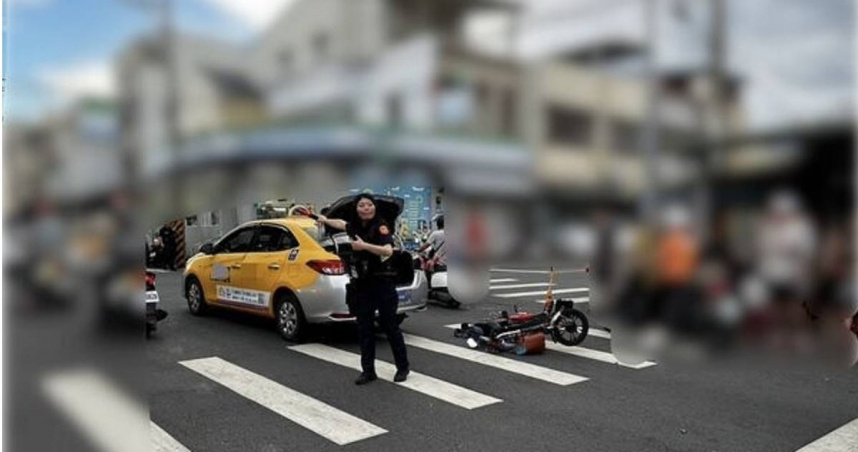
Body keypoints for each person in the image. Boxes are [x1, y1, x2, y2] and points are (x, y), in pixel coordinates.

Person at [315, 194, 410, 385]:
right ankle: (368, 371)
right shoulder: (355, 226)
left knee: (390, 327)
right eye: (361, 205)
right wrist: (325, 220)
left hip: (383, 283)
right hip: (363, 284)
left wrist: (363, 246)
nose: (365, 208)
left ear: (374, 208)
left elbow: (388, 250)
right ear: (356, 209)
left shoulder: (381, 225)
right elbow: (341, 223)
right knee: (364, 329)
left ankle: (403, 367)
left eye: (369, 205)